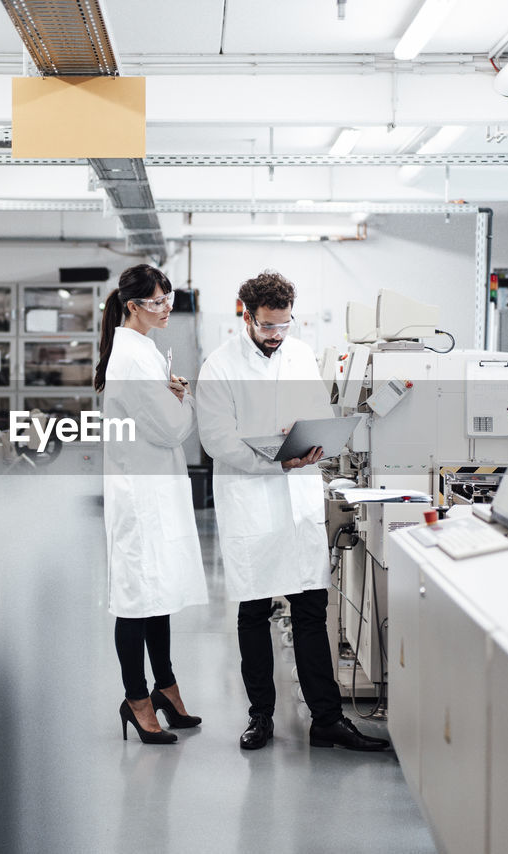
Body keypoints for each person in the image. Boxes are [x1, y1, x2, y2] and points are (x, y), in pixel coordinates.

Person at [197, 270, 389, 753]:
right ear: (246, 314)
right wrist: (276, 457)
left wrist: (317, 442)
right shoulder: (219, 367)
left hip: (299, 495)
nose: (276, 335)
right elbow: (216, 440)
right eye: (267, 326)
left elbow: (316, 416)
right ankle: (260, 716)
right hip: (251, 500)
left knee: (310, 609)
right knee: (255, 610)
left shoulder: (301, 354)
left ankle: (326, 719)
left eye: (284, 325)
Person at [96, 264, 208, 745]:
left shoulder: (145, 350)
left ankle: (166, 689)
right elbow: (172, 430)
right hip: (139, 497)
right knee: (137, 598)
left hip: (153, 488)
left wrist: (174, 396)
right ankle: (137, 699)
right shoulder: (132, 358)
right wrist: (185, 402)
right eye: (158, 302)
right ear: (132, 306)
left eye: (170, 299)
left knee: (155, 593)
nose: (167, 309)